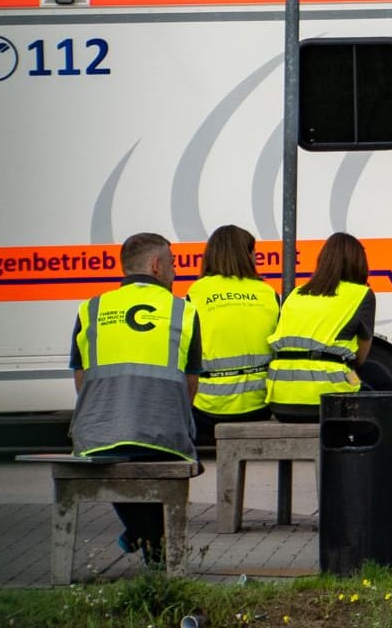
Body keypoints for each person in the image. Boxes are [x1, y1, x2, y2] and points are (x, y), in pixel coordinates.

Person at [266, 232, 392, 475]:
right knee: (379, 384)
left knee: (375, 373)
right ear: (358, 263)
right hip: (324, 401)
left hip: (281, 401)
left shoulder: (295, 294)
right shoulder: (360, 295)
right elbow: (361, 358)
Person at [69, 232, 200, 567]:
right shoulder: (181, 312)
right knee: (158, 457)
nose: (175, 271)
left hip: (98, 436)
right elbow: (190, 384)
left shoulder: (91, 308)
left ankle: (141, 537)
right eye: (172, 263)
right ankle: (151, 546)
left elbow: (81, 378)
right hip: (164, 437)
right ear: (156, 265)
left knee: (113, 452)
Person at [188, 224, 278, 445]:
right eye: (253, 252)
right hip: (261, 408)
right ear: (245, 255)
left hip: (207, 412)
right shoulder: (268, 294)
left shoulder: (196, 293)